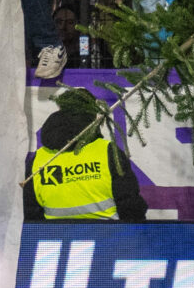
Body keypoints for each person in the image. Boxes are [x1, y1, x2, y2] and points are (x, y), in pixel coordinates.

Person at [23, 89, 146, 222]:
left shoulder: (38, 158)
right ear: (92, 113)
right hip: (109, 239)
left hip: (53, 240)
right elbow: (130, 204)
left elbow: (30, 213)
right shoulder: (107, 151)